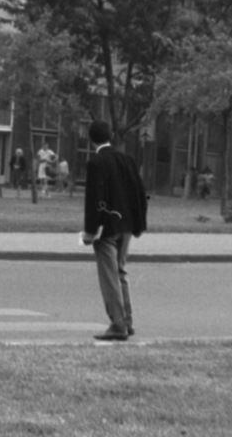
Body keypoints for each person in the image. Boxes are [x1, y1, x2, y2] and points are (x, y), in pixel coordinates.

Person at [80, 120, 148, 342]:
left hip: (105, 228)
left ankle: (118, 325)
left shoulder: (96, 163)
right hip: (127, 225)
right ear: (110, 136)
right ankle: (127, 321)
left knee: (109, 277)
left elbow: (94, 201)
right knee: (120, 273)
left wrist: (89, 232)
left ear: (91, 139)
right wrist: (139, 224)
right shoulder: (127, 159)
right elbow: (140, 193)